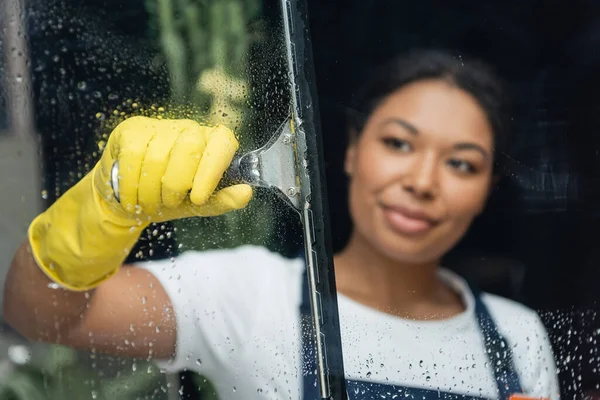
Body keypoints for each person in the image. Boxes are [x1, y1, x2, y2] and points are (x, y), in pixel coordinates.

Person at [3, 50, 560, 400]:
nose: (422, 180)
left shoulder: (516, 337)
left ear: (486, 189)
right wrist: (104, 208)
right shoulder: (248, 295)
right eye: (398, 143)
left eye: (461, 162)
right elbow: (37, 312)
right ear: (349, 152)